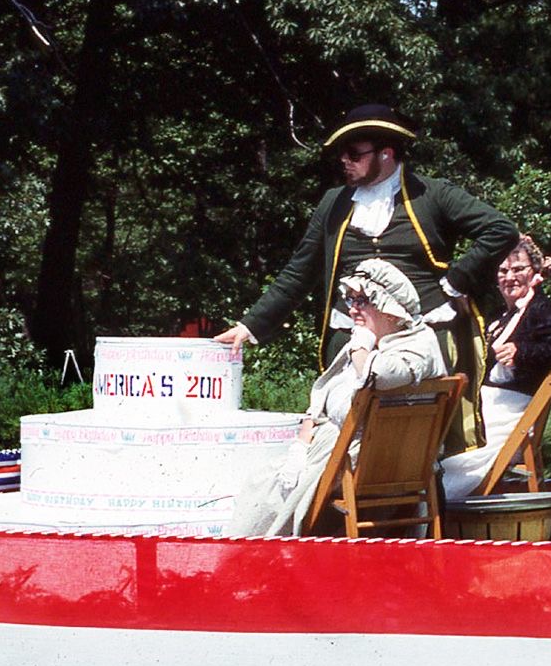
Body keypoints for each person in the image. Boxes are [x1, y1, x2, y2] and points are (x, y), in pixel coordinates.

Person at [214, 103, 518, 450]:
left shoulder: (433, 194)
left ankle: (433, 501)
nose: (345, 160)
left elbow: (500, 229)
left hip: (424, 338)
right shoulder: (333, 204)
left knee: (429, 439)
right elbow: (300, 271)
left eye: (354, 153)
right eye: (342, 154)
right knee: (343, 435)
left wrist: (456, 280)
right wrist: (250, 325)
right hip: (351, 339)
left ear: (386, 153)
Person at [227, 259, 447, 537]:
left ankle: (253, 563)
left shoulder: (414, 346)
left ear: (390, 309)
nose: (352, 308)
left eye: (363, 301)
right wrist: (300, 445)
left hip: (364, 464)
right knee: (266, 479)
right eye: (350, 300)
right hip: (344, 454)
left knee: (265, 489)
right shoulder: (371, 340)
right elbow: (321, 400)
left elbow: (380, 375)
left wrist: (361, 344)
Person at [440, 236, 551, 501]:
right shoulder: (499, 316)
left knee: (450, 445)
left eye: (519, 269)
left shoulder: (542, 311)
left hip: (509, 413)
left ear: (535, 274)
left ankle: (435, 506)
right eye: (503, 271)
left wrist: (523, 353)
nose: (510, 277)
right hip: (487, 405)